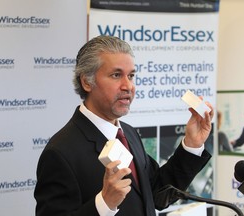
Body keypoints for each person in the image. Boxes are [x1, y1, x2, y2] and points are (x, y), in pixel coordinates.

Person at [34, 35, 213, 216]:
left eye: (131, 76)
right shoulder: (60, 152)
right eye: (116, 75)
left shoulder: (128, 133)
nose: (128, 86)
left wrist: (192, 144)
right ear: (87, 82)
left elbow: (157, 193)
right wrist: (104, 205)